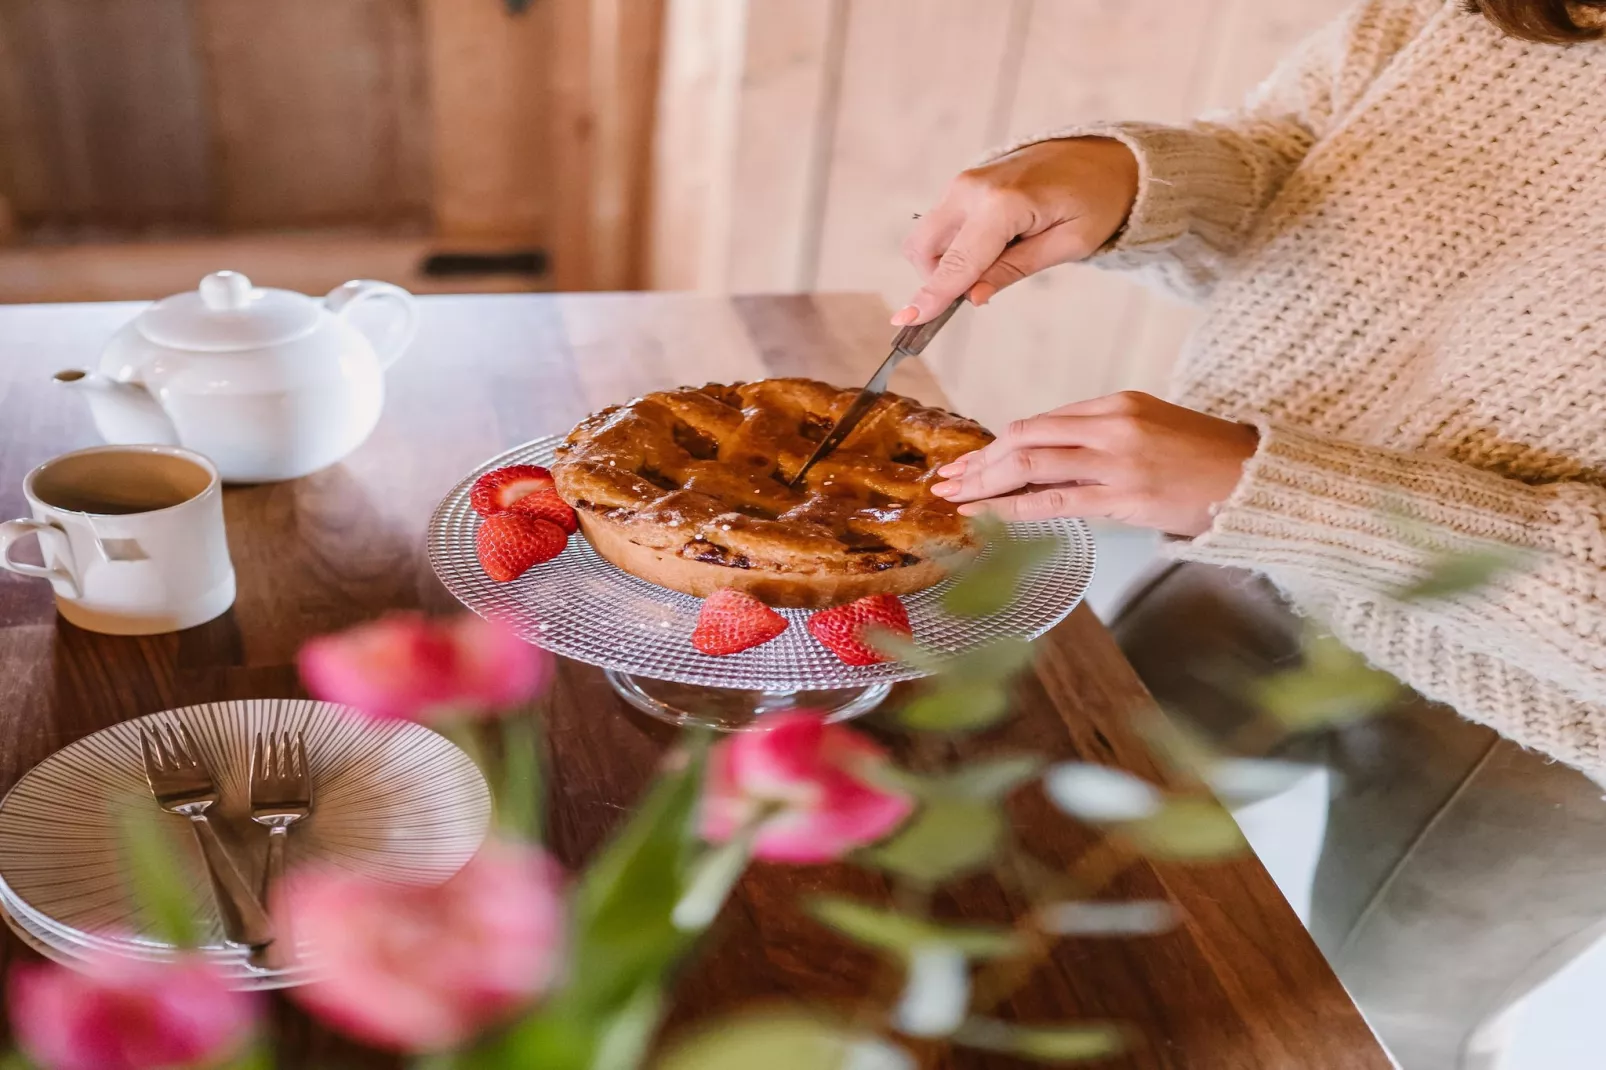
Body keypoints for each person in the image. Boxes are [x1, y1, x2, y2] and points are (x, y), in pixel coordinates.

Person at [899, 1, 1606, 1066]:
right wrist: (1118, 181)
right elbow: (1288, 164)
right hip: (1250, 564)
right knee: (1033, 841)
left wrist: (1277, 487)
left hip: (1539, 728)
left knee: (1368, 1020)